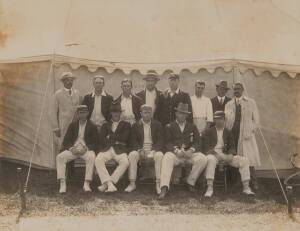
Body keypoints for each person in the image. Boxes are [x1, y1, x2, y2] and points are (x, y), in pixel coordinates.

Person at [159, 103, 207, 199]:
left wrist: (191, 150)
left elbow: (198, 141)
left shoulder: (192, 126)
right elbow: (167, 142)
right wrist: (176, 151)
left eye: (184, 114)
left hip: (189, 154)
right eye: (180, 113)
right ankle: (164, 187)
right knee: (167, 157)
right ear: (176, 113)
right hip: (177, 155)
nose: (182, 115)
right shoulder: (169, 126)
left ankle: (190, 182)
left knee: (203, 158)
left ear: (187, 115)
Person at [203, 111, 255, 197]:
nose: (219, 121)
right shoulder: (209, 132)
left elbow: (232, 147)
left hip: (225, 155)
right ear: (214, 120)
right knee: (210, 159)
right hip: (214, 155)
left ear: (225, 120)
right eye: (217, 119)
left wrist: (230, 155)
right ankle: (209, 188)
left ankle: (246, 188)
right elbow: (206, 148)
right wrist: (216, 155)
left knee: (244, 160)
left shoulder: (228, 132)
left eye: (221, 119)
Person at [225, 82, 261, 190]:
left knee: (249, 158)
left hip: (246, 135)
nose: (236, 91)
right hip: (233, 135)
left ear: (243, 90)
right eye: (235, 89)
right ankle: (238, 181)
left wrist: (251, 130)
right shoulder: (229, 104)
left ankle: (254, 182)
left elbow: (257, 121)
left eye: (238, 89)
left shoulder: (250, 102)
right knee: (236, 158)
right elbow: (227, 121)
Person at [56, 105, 98, 193]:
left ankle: (87, 183)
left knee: (91, 157)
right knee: (60, 157)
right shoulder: (72, 125)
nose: (82, 115)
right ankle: (62, 183)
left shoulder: (92, 126)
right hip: (74, 149)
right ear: (78, 114)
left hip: (85, 149)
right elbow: (66, 141)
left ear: (88, 113)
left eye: (84, 113)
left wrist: (86, 148)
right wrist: (71, 148)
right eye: (80, 113)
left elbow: (95, 143)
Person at [125, 104, 164, 194]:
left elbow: (161, 141)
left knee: (160, 155)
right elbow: (133, 141)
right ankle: (132, 183)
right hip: (141, 150)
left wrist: (153, 150)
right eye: (145, 112)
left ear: (152, 114)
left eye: (149, 113)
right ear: (141, 114)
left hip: (153, 149)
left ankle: (158, 184)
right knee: (132, 155)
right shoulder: (135, 125)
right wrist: (139, 150)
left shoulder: (157, 125)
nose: (147, 115)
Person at [95, 102, 130, 193]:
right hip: (108, 149)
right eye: (114, 112)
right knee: (98, 159)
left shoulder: (126, 124)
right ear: (111, 113)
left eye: (118, 112)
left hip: (120, 149)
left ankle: (107, 184)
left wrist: (110, 136)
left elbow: (125, 138)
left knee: (125, 162)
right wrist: (117, 139)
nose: (116, 114)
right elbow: (101, 139)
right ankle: (110, 184)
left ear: (120, 113)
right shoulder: (105, 124)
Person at [50, 72, 81, 143]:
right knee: (63, 144)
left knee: (75, 143)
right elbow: (52, 112)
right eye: (67, 80)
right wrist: (56, 128)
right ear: (63, 81)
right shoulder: (57, 94)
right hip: (63, 124)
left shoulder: (77, 93)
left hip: (75, 124)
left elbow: (79, 109)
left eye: (71, 80)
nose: (70, 82)